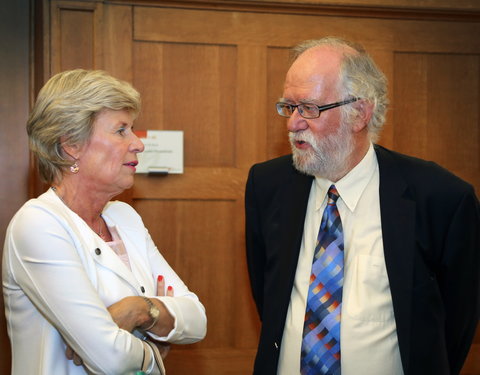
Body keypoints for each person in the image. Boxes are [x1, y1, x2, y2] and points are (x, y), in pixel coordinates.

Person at [245, 36, 480, 375]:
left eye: (310, 108)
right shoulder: (267, 185)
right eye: (289, 106)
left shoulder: (441, 197)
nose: (293, 122)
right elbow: (268, 295)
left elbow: (457, 321)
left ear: (359, 113)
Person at [2, 69, 207, 374]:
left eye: (132, 129)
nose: (138, 144)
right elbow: (109, 358)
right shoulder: (39, 224)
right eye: (121, 130)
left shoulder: (124, 217)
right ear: (72, 144)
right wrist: (156, 351)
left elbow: (196, 319)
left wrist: (139, 310)